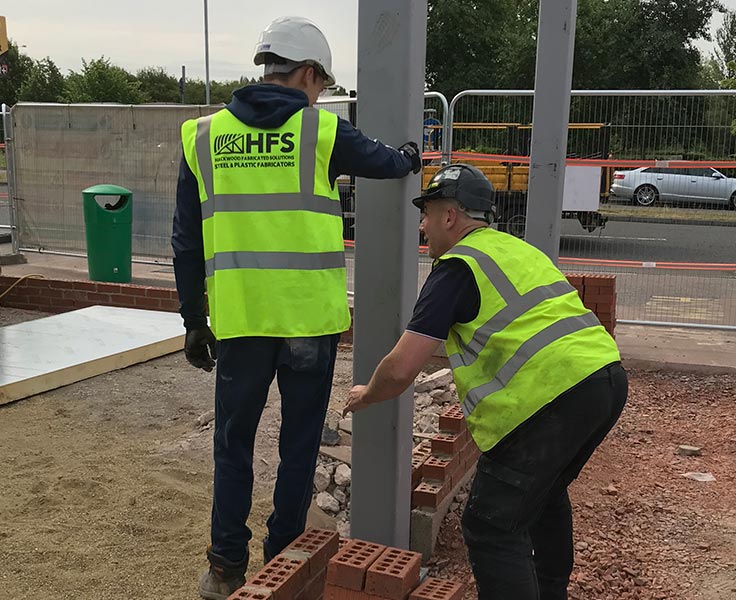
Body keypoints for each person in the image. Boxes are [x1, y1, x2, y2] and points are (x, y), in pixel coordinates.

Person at [172, 15, 421, 600]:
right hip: (308, 321)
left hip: (239, 323)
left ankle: (225, 567)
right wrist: (412, 154)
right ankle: (283, 558)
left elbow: (186, 239)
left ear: (267, 66)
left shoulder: (202, 135)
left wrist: (192, 319)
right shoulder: (321, 131)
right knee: (298, 445)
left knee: (233, 446)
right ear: (308, 74)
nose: (319, 95)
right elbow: (388, 162)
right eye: (321, 84)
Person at [344, 164, 627, 600]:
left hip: (546, 399)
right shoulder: (514, 249)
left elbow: (402, 368)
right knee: (544, 494)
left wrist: (368, 394)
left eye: (427, 213)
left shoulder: (457, 267)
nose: (422, 225)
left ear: (450, 217)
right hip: (604, 379)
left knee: (491, 525)